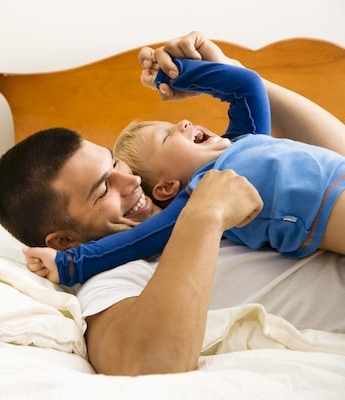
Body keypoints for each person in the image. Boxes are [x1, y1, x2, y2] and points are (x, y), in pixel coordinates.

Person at [0, 31, 345, 376]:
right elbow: (143, 364)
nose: (130, 181)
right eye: (102, 191)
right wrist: (205, 216)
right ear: (65, 242)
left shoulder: (220, 170)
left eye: (116, 164)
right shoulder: (117, 276)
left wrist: (224, 70)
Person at [20, 56, 345, 286]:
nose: (183, 122)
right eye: (166, 136)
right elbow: (137, 241)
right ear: (166, 187)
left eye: (172, 124)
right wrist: (70, 265)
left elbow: (246, 84)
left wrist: (179, 73)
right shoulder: (200, 197)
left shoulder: (246, 137)